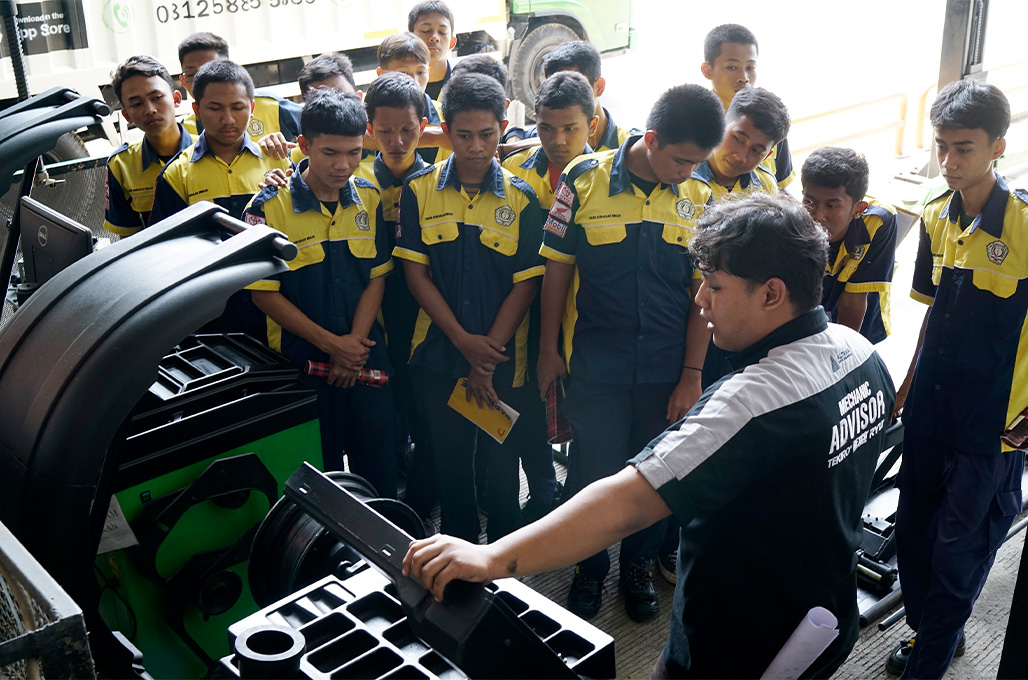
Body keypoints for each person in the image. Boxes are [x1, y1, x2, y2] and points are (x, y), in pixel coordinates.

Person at [404, 192, 896, 679]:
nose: (699, 299)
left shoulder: (752, 403)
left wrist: (491, 556)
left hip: (741, 639)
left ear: (771, 293)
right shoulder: (859, 351)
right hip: (826, 611)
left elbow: (627, 503)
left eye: (715, 286)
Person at [535, 83, 723, 622]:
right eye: (683, 159)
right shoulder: (582, 180)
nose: (689, 171)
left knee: (657, 477)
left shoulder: (701, 199)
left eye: (698, 163)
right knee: (591, 473)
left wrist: (692, 375)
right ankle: (588, 569)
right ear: (652, 138)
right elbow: (556, 270)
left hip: (667, 372)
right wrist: (549, 351)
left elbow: (702, 298)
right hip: (597, 368)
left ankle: (636, 567)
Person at [886, 80, 1026, 680]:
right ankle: (934, 629)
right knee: (914, 535)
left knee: (960, 550)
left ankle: (931, 657)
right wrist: (907, 389)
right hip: (931, 414)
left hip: (991, 428)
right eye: (941, 146)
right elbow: (931, 315)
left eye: (963, 148)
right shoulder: (937, 215)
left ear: (998, 145)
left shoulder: (1022, 226)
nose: (948, 162)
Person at [393, 73, 545, 544]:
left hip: (502, 363)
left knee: (500, 467)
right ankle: (457, 552)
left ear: (503, 127)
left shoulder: (523, 200)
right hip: (437, 355)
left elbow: (525, 287)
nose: (476, 147)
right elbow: (416, 275)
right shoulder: (418, 192)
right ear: (444, 129)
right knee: (450, 462)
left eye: (487, 135)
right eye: (464, 136)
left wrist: (485, 357)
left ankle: (501, 556)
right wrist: (462, 341)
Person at [241, 90, 397, 497]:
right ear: (304, 145)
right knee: (317, 483)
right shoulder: (266, 208)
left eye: (354, 152)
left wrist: (353, 348)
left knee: (379, 472)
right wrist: (334, 347)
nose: (343, 165)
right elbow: (264, 295)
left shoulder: (369, 195)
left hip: (365, 361)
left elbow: (377, 277)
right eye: (330, 153)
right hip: (301, 367)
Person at [500, 70, 598, 523]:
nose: (557, 140)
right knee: (523, 402)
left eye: (570, 128)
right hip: (522, 312)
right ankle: (541, 484)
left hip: (583, 318)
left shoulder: (604, 179)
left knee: (582, 415)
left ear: (591, 126)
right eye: (546, 127)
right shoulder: (514, 173)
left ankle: (578, 506)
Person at [150, 60, 290, 341]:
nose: (228, 119)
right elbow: (167, 257)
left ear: (251, 108)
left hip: (280, 312)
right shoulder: (178, 174)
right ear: (197, 110)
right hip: (213, 319)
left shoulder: (278, 160)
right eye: (215, 109)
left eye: (238, 108)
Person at [353, 72, 435, 515]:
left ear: (423, 124)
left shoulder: (439, 184)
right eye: (384, 130)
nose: (397, 140)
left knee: (427, 416)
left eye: (407, 129)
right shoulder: (358, 183)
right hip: (374, 318)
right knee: (388, 414)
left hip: (428, 318)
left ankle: (421, 503)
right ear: (370, 129)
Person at [801, 147, 898, 343]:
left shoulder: (878, 223)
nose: (818, 216)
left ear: (858, 209)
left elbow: (853, 299)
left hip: (859, 318)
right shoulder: (794, 224)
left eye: (832, 205)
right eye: (809, 201)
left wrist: (842, 353)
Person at [104, 55, 192, 236]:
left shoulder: (210, 150)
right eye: (136, 104)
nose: (150, 110)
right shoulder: (121, 165)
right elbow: (127, 237)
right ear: (127, 115)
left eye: (157, 97)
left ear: (176, 99)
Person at [501, 41, 638, 156]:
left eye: (575, 85)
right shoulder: (535, 138)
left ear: (599, 87)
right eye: (554, 87)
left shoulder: (629, 149)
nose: (563, 96)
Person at [700, 23, 794, 188]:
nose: (743, 77)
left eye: (750, 67)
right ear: (707, 70)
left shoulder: (769, 123)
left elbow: (781, 189)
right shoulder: (691, 122)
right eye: (732, 67)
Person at [176, 32, 300, 143]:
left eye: (213, 70)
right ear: (183, 81)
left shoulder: (272, 107)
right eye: (192, 74)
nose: (202, 80)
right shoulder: (183, 132)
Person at [693, 86, 788, 201]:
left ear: (766, 156)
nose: (740, 157)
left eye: (756, 151)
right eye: (738, 139)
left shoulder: (765, 187)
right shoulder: (682, 176)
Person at [376, 32, 450, 164]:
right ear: (381, 74)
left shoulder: (446, 116)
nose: (414, 80)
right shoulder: (367, 116)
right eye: (403, 73)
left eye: (421, 72)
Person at [408, 0, 456, 101]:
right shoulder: (399, 89)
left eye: (442, 32)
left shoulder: (463, 88)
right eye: (426, 30)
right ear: (410, 38)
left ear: (452, 42)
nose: (434, 37)